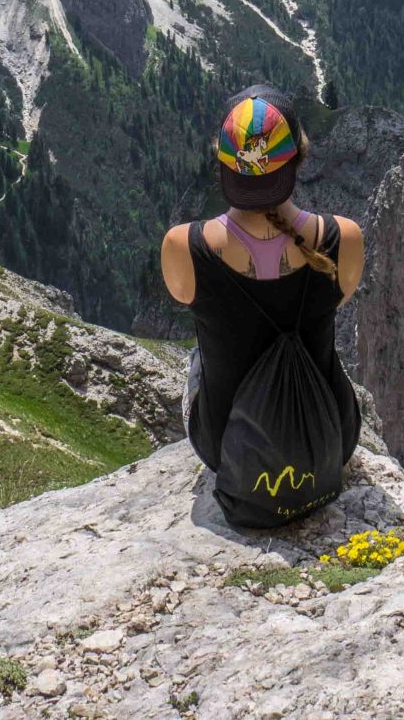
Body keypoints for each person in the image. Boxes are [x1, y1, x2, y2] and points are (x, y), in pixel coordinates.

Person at [161, 84, 364, 526]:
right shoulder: (342, 238)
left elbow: (184, 295)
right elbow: (341, 294)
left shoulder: (184, 246)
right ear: (299, 157)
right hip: (328, 440)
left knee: (197, 353)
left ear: (223, 164)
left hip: (228, 449)